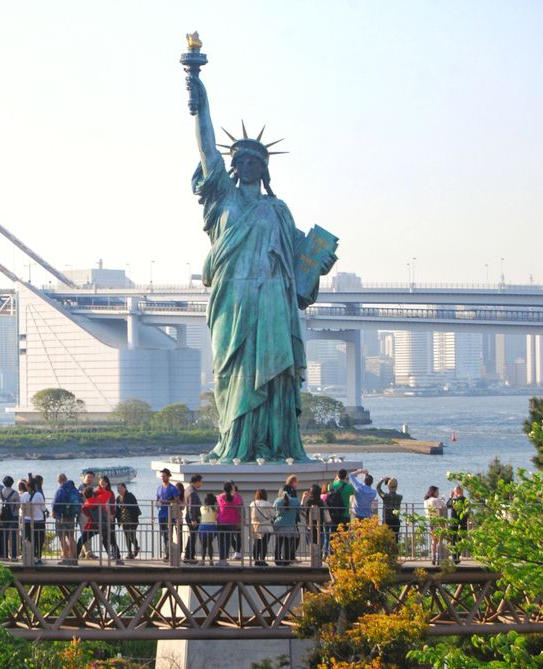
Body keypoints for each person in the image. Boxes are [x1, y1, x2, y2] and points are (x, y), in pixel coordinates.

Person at [186, 66, 335, 464]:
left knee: (275, 373)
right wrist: (200, 101)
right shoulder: (222, 199)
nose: (247, 164)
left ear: (264, 168)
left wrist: (320, 264)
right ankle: (234, 440)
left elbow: (300, 271)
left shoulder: (278, 210)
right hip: (232, 300)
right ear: (232, 166)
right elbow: (206, 148)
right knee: (230, 372)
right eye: (241, 159)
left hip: (271, 300)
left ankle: (273, 442)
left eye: (255, 160)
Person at [324, 469, 355, 554]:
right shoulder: (349, 487)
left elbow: (328, 492)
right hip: (345, 515)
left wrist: (335, 480)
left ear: (337, 475)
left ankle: (332, 554)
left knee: (333, 536)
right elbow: (353, 495)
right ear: (345, 476)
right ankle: (343, 554)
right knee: (344, 537)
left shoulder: (330, 486)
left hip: (333, 515)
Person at [52, 473, 81, 565]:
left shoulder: (61, 490)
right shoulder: (74, 489)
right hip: (72, 516)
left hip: (62, 517)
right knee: (71, 537)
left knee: (62, 538)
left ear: (59, 481)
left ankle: (66, 557)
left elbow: (56, 504)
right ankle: (74, 558)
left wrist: (54, 513)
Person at [96, 476, 123, 564]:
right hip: (101, 518)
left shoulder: (110, 492)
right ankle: (111, 554)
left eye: (105, 482)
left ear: (107, 483)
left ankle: (117, 555)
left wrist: (112, 515)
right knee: (104, 538)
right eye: (101, 481)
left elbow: (112, 505)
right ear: (99, 482)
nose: (103, 483)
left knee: (112, 538)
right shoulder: (97, 492)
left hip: (109, 518)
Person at [216, 481, 243, 566]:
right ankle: (225, 561)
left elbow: (216, 507)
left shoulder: (219, 497)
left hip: (221, 522)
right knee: (228, 541)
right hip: (232, 523)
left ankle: (221, 559)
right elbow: (240, 509)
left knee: (220, 541)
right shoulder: (236, 498)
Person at [273, 483, 300, 566]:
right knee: (287, 544)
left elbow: (274, 511)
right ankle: (286, 561)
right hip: (290, 525)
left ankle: (277, 560)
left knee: (278, 544)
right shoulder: (295, 501)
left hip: (279, 525)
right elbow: (299, 511)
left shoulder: (278, 500)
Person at [156, 468, 180, 560]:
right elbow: (157, 499)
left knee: (168, 534)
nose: (162, 478)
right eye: (162, 476)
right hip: (161, 515)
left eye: (164, 476)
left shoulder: (172, 488)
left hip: (169, 515)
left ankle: (168, 554)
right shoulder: (159, 488)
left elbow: (177, 500)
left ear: (168, 476)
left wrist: (167, 501)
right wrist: (157, 503)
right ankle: (167, 553)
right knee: (164, 534)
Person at [22, 474, 47, 564]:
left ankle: (29, 556)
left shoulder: (24, 495)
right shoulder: (39, 495)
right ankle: (38, 557)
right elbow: (43, 508)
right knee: (39, 540)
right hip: (38, 520)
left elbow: (22, 507)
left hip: (27, 520)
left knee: (28, 539)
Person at [116, 482, 141, 560]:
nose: (119, 490)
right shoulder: (118, 498)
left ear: (125, 488)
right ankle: (129, 553)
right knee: (127, 537)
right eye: (118, 488)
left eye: (121, 488)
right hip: (124, 520)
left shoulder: (130, 496)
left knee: (131, 535)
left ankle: (136, 547)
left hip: (132, 519)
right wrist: (118, 520)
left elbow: (134, 507)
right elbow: (117, 510)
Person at [249, 488, 274, 566]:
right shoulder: (267, 504)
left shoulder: (252, 504)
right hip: (266, 526)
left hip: (255, 526)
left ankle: (256, 560)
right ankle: (262, 560)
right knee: (264, 544)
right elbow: (273, 514)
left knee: (256, 544)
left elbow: (250, 515)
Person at [424, 485, 447, 565]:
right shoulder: (435, 500)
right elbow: (443, 506)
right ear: (433, 492)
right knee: (440, 540)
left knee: (433, 540)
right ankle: (439, 557)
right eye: (437, 491)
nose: (438, 493)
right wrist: (442, 500)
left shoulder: (426, 501)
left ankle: (433, 557)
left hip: (430, 521)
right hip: (438, 521)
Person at [0, 475, 20, 560]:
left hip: (3, 516)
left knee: (3, 535)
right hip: (13, 516)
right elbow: (18, 505)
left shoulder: (0, 492)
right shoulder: (15, 493)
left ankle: (4, 555)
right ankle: (14, 555)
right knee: (13, 536)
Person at [375, 476, 403, 541]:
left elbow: (378, 488)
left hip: (387, 520)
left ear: (388, 486)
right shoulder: (400, 497)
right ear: (396, 486)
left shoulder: (386, 496)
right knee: (395, 540)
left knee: (386, 540)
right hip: (396, 520)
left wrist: (382, 479)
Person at [183, 474, 203, 563]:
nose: (201, 484)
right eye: (200, 482)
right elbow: (191, 507)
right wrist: (193, 519)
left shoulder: (187, 489)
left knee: (191, 536)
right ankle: (190, 557)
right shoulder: (192, 492)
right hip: (193, 517)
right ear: (197, 482)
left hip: (189, 516)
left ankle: (188, 556)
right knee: (193, 537)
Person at [301, 483, 325, 554]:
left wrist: (303, 498)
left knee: (311, 541)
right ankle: (319, 556)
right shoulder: (321, 502)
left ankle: (313, 556)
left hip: (310, 525)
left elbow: (304, 511)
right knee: (319, 541)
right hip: (319, 524)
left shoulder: (309, 501)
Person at [447, 485, 469, 564]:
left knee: (453, 540)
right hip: (463, 523)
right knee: (461, 541)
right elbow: (468, 513)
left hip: (454, 523)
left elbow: (448, 505)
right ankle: (457, 556)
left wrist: (450, 497)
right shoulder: (466, 500)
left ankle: (454, 557)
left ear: (457, 491)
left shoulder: (454, 500)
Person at [198, 493, 219, 565]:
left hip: (203, 527)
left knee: (203, 545)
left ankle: (203, 560)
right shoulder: (215, 509)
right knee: (209, 544)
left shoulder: (202, 508)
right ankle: (211, 560)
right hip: (212, 528)